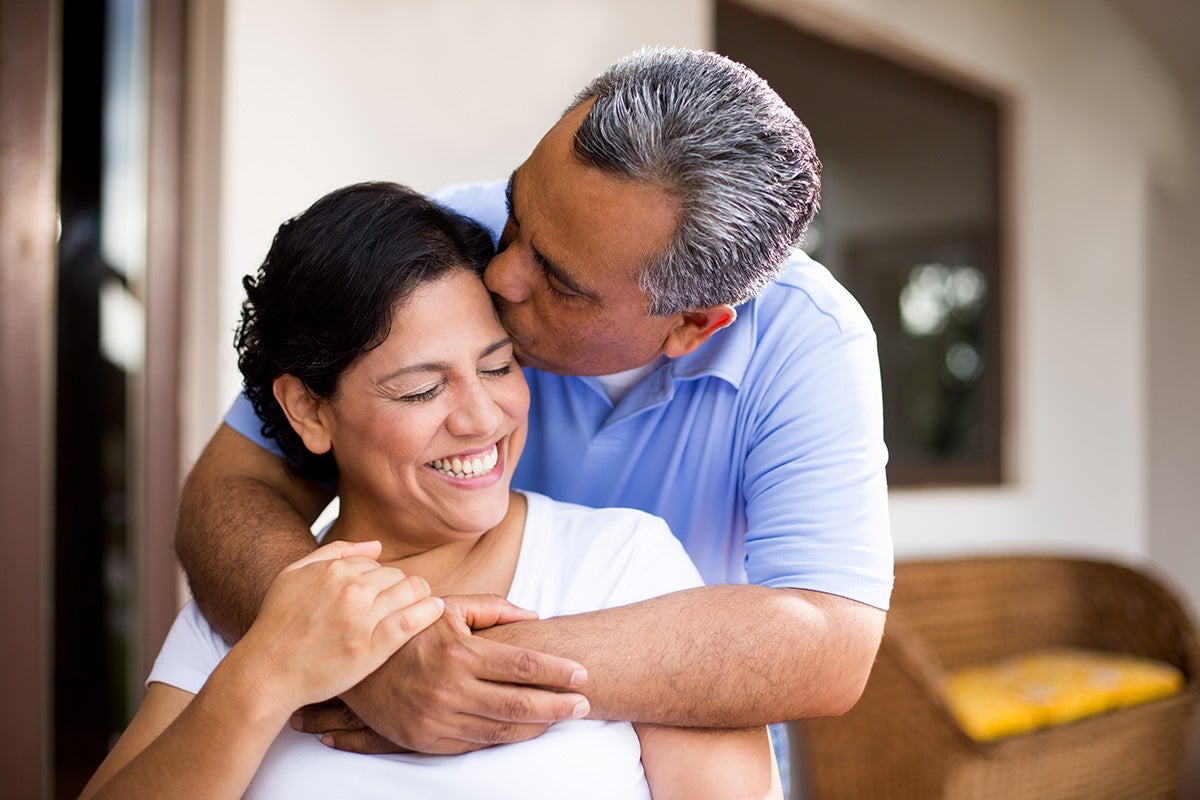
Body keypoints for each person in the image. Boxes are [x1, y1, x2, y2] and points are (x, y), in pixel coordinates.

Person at [177, 47, 892, 760]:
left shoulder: (810, 343)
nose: (500, 272)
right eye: (518, 214)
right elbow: (230, 490)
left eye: (558, 281)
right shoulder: (445, 241)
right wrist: (364, 659)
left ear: (690, 325)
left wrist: (453, 668)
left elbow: (828, 639)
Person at [82, 182, 782, 799]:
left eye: (499, 367)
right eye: (421, 388)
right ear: (309, 411)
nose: (482, 419)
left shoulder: (623, 564)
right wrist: (266, 674)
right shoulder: (249, 606)